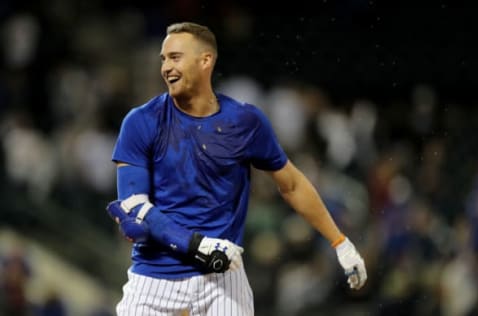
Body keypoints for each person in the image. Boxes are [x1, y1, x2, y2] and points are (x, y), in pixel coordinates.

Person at [106, 21, 367, 316]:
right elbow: (133, 208)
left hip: (223, 279)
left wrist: (339, 241)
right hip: (155, 280)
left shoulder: (244, 121)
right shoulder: (141, 121)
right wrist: (198, 246)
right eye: (164, 59)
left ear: (206, 61)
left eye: (175, 57)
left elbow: (291, 185)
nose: (166, 67)